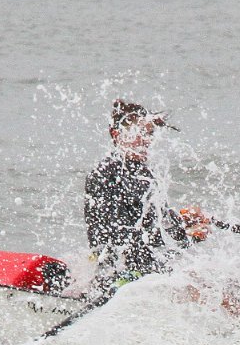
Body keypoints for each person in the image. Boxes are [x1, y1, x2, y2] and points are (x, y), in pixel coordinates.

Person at [84, 99, 210, 288]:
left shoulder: (144, 174)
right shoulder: (105, 174)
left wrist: (185, 223)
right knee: (206, 282)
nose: (146, 140)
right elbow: (119, 238)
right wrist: (188, 236)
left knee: (220, 279)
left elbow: (156, 226)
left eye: (149, 133)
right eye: (138, 133)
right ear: (116, 135)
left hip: (144, 270)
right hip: (118, 278)